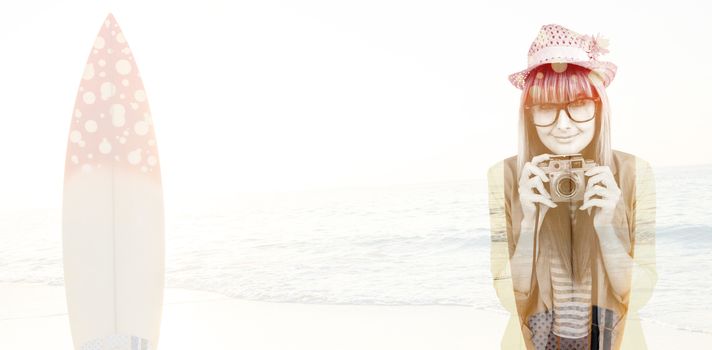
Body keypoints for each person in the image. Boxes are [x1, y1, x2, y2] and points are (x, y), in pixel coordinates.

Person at [487, 24, 657, 350]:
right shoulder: (506, 176)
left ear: (599, 107)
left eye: (579, 104)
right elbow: (510, 300)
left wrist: (607, 227)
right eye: (546, 108)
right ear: (529, 114)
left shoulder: (634, 172)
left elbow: (639, 297)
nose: (563, 125)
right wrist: (528, 224)